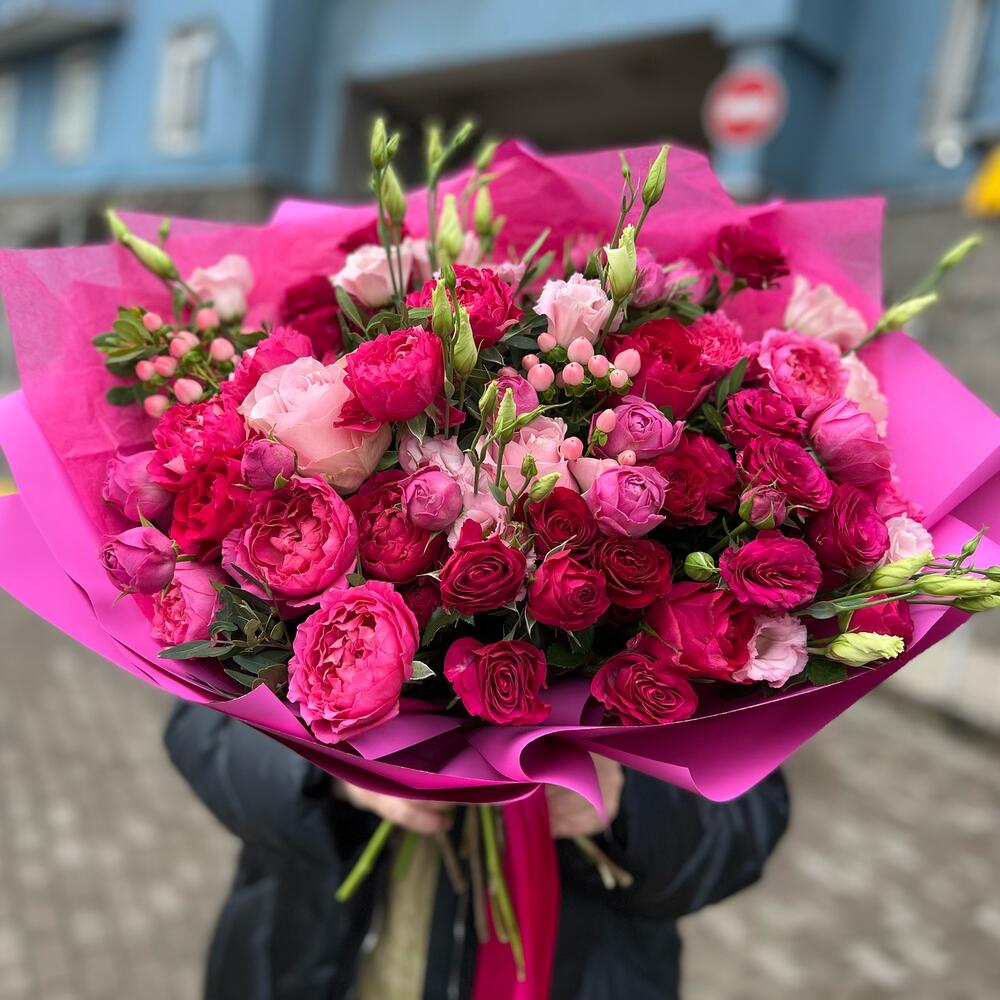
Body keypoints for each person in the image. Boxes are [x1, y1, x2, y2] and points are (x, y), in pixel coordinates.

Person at [165, 701, 789, 999]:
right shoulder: (280, 512)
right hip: (300, 962)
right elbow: (203, 728)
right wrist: (330, 774)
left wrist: (629, 807)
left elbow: (747, 816)